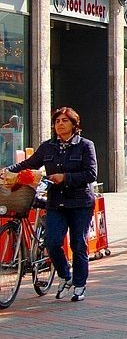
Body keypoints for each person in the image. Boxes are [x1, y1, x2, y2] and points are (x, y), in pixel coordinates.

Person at [4, 107, 97, 302]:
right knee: (52, 242)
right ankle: (65, 275)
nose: (60, 124)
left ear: (74, 124)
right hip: (56, 202)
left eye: (64, 120)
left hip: (80, 202)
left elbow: (91, 174)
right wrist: (7, 170)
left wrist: (65, 177)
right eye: (57, 121)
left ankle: (80, 284)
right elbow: (29, 164)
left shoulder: (85, 145)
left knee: (78, 244)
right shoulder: (47, 146)